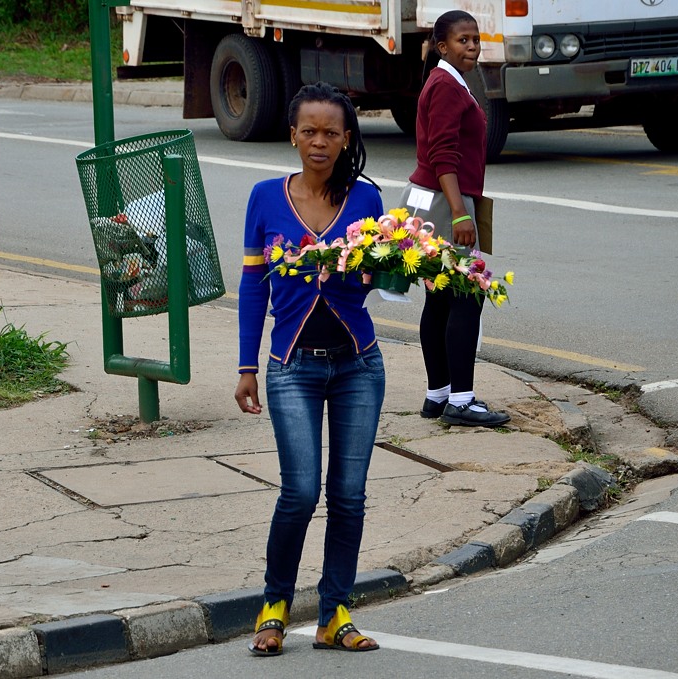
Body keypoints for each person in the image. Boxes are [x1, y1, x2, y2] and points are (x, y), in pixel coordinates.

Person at [235, 81, 384, 656]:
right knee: (299, 492)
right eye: (309, 131)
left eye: (331, 132)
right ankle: (274, 607)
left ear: (347, 139)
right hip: (290, 367)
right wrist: (247, 365)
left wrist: (357, 272)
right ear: (292, 134)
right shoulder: (265, 197)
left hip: (359, 367)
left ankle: (335, 614)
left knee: (348, 494)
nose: (319, 141)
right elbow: (252, 285)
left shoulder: (367, 200)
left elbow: (373, 282)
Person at [400, 10, 511, 428]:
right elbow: (442, 155)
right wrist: (462, 213)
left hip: (430, 201)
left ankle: (438, 395)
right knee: (467, 296)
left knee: (441, 297)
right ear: (442, 46)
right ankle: (461, 400)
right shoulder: (446, 85)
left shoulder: (445, 80)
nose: (472, 47)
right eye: (462, 40)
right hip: (446, 204)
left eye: (475, 39)